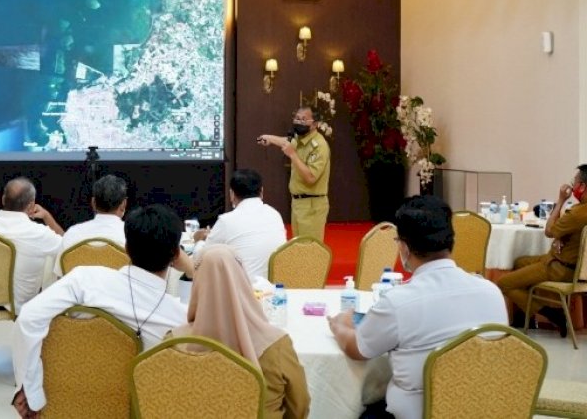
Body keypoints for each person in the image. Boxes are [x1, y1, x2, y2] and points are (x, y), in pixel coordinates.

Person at [328, 195, 507, 419]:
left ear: (403, 247)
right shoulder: (491, 292)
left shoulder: (399, 302)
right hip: (484, 411)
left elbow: (357, 349)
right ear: (451, 240)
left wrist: (340, 325)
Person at [11, 204, 194, 417]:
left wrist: (32, 391)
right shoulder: (181, 319)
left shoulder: (84, 281)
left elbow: (28, 319)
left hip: (74, 406)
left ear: (126, 247)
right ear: (175, 255)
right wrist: (192, 269)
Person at [172, 244, 310, 419]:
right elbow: (299, 406)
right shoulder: (276, 345)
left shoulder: (174, 342)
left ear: (198, 283)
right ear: (242, 279)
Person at [497, 164, 587, 336]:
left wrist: (560, 200)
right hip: (570, 264)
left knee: (504, 283)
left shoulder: (577, 213)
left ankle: (551, 313)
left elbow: (548, 231)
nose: (572, 186)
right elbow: (567, 232)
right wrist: (561, 236)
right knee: (519, 262)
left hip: (559, 268)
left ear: (582, 187)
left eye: (575, 182)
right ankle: (524, 318)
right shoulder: (580, 214)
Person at [0, 177, 64, 313]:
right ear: (31, 205)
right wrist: (46, 216)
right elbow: (69, 248)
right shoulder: (39, 233)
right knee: (52, 259)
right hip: (20, 304)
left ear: (3, 199)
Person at [192, 169, 286, 280]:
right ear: (261, 191)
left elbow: (199, 260)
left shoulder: (226, 221)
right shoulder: (274, 214)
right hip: (276, 289)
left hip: (241, 291)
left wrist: (199, 241)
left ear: (232, 194)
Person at [258, 106, 331, 242]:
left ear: (314, 124)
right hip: (298, 203)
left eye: (304, 120)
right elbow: (286, 141)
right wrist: (268, 138)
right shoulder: (301, 139)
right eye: (297, 118)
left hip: (312, 204)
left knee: (309, 249)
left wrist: (292, 155)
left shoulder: (319, 146)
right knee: (298, 246)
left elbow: (310, 177)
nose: (299, 122)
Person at [52, 174, 128, 278]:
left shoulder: (72, 233)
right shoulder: (134, 238)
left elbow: (61, 277)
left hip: (78, 294)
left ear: (93, 203)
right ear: (124, 204)